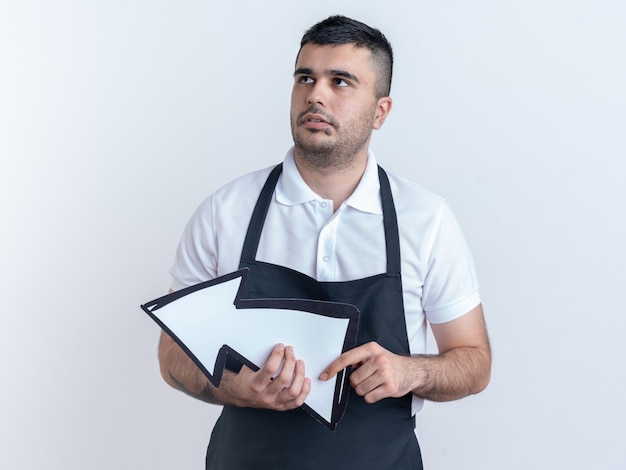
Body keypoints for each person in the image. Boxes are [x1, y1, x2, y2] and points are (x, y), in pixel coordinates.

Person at [158, 15, 491, 469]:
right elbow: (173, 354)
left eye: (340, 81)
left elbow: (474, 362)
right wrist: (241, 388)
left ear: (380, 111)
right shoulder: (225, 212)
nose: (316, 94)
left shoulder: (425, 220)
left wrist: (410, 370)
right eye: (305, 78)